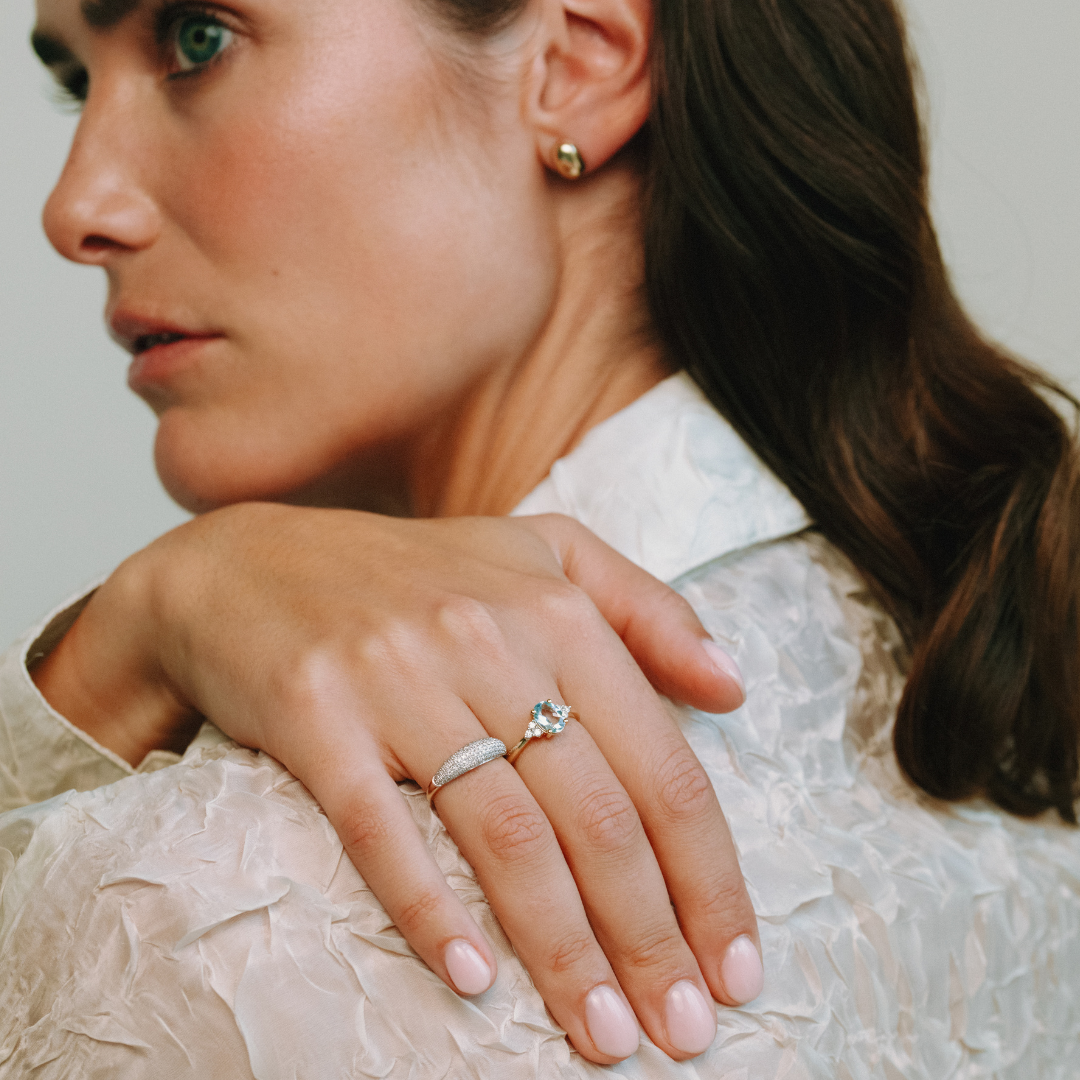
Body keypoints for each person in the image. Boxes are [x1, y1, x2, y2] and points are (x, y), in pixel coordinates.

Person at [1, 0, 1078, 1075]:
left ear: (577, 65)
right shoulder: (1003, 675)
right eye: (75, 83)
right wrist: (135, 629)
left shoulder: (210, 912)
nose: (74, 209)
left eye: (197, 39)